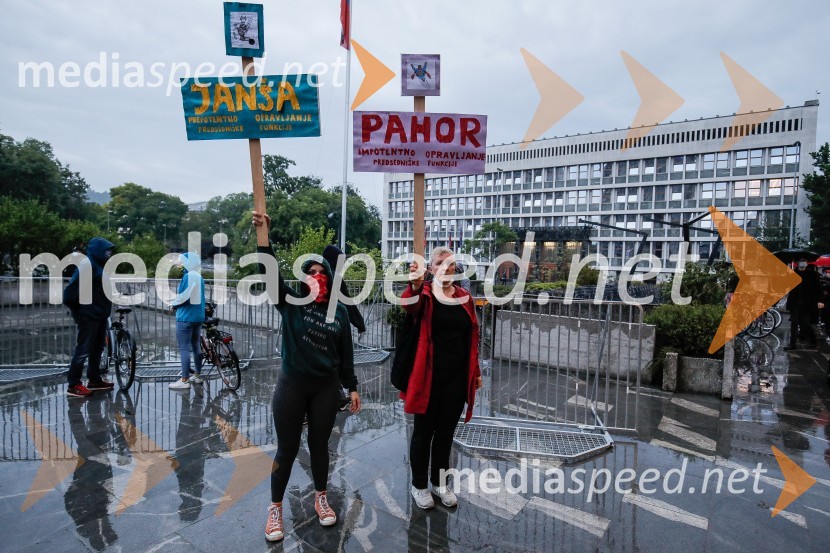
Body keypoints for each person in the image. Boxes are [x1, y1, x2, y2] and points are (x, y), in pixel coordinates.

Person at [252, 212, 361, 542]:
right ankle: (275, 509)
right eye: (311, 273)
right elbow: (270, 273)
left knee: (319, 447)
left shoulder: (339, 311)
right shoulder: (291, 303)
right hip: (292, 386)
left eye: (322, 272)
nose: (317, 276)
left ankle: (321, 497)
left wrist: (352, 387)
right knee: (286, 450)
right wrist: (263, 238)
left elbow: (345, 354)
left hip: (325, 388)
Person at [401, 246, 482, 509]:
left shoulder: (464, 297)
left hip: (456, 378)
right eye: (439, 263)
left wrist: (475, 372)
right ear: (431, 269)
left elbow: (472, 338)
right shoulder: (424, 294)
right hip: (428, 377)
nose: (446, 268)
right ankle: (418, 485)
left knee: (446, 433)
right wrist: (415, 285)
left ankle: (439, 483)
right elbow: (409, 305)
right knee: (423, 433)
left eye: (451, 264)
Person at [62, 237, 116, 397]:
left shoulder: (98, 266)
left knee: (97, 348)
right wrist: (80, 312)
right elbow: (69, 294)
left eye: (110, 251)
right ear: (98, 250)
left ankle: (94, 380)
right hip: (88, 316)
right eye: (106, 251)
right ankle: (74, 384)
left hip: (99, 315)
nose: (109, 254)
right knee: (83, 350)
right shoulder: (87, 266)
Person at [323, 244, 366, 411]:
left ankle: (338, 395)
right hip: (335, 327)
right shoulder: (335, 277)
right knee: (338, 359)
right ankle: (337, 396)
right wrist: (359, 323)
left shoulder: (320, 276)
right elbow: (348, 303)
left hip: (320, 327)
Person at [169, 252, 206, 390]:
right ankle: (197, 375)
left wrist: (173, 305)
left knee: (184, 348)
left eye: (182, 262)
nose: (181, 264)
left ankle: (184, 380)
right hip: (198, 316)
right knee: (196, 346)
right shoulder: (199, 277)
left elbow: (184, 296)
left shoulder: (188, 276)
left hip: (186, 317)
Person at [785, 257, 823, 350]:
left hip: (807, 303)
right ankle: (792, 344)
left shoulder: (813, 274)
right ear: (797, 262)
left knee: (806, 323)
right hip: (794, 303)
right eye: (801, 261)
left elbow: (818, 289)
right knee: (794, 323)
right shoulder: (792, 273)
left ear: (807, 262)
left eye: (804, 261)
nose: (803, 263)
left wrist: (820, 300)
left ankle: (813, 341)